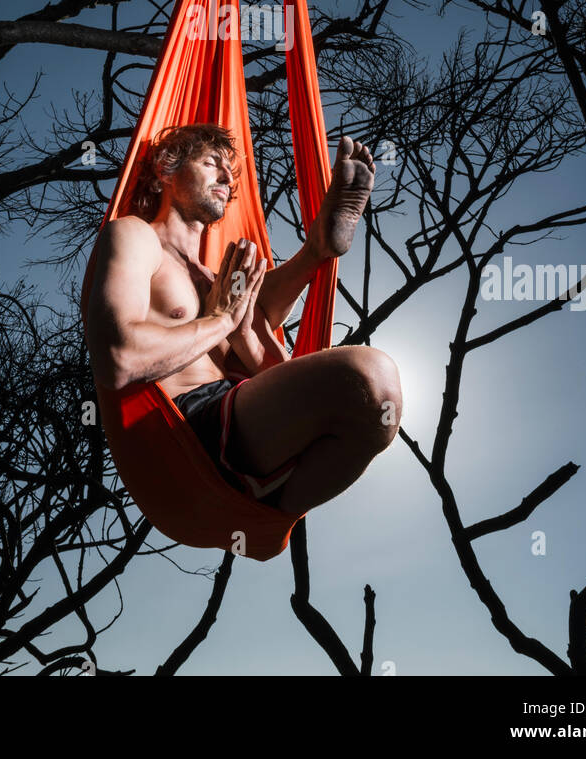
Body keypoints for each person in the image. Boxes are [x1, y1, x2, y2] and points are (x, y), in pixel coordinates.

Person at [85, 124, 402, 513]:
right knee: (371, 376)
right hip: (189, 432)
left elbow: (262, 346)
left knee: (378, 412)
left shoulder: (214, 275)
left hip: (246, 431)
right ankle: (314, 251)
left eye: (230, 172)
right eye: (210, 163)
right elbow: (118, 360)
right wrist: (221, 319)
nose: (226, 177)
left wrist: (239, 325)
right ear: (164, 173)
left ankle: (317, 248)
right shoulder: (135, 236)